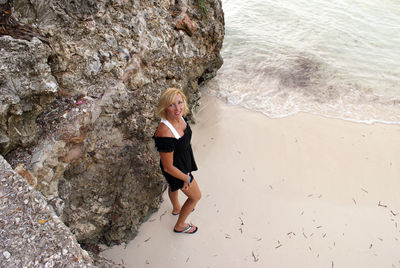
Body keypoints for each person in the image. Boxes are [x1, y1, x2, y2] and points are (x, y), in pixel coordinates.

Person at [153, 88, 201, 234]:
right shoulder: (164, 133)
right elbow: (168, 167)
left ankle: (176, 208)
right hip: (175, 168)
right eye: (171, 105)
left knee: (173, 186)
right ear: (164, 107)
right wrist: (186, 177)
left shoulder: (180, 117)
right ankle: (180, 225)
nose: (178, 108)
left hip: (182, 161)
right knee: (195, 197)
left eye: (179, 102)